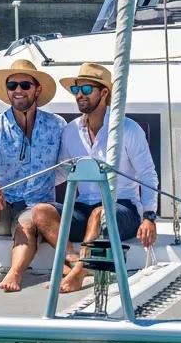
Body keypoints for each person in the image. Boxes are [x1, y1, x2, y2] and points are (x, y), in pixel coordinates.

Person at [36, 62, 159, 293]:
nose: (79, 95)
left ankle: (79, 273)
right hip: (83, 207)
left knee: (99, 213)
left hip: (123, 208)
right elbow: (64, 172)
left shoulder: (128, 129)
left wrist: (149, 217)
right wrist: (29, 189)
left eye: (86, 89)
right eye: (76, 90)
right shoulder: (70, 131)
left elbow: (147, 175)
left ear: (104, 93)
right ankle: (74, 262)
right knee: (41, 212)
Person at [0, 57, 65, 291]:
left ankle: (15, 274)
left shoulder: (57, 125)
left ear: (37, 89)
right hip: (0, 206)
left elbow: (67, 165)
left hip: (35, 206)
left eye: (25, 85)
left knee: (28, 221)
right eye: (12, 86)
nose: (18, 91)